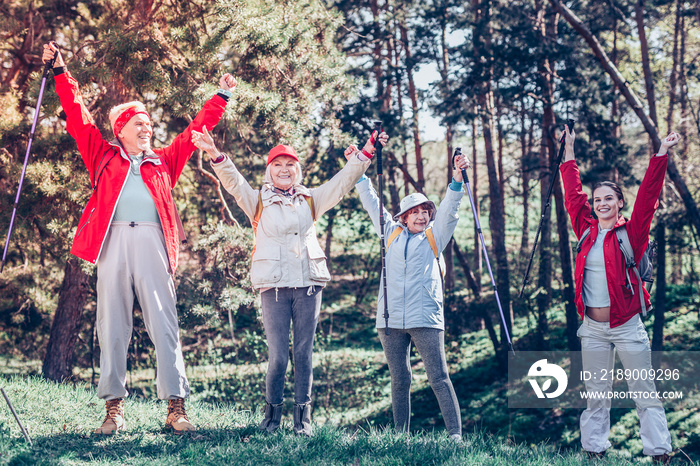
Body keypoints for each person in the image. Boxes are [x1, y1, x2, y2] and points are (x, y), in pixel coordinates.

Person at [41, 42, 237, 435]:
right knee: (111, 323)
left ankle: (176, 409)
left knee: (164, 322)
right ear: (121, 130)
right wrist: (61, 72)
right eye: (139, 124)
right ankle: (114, 411)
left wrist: (221, 96)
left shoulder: (165, 160)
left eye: (149, 124)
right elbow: (78, 118)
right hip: (112, 243)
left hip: (152, 244)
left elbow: (197, 128)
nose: (147, 128)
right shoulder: (102, 155)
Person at [191, 126, 388, 436]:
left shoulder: (311, 199)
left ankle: (302, 422)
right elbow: (232, 180)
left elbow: (343, 181)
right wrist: (214, 152)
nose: (284, 170)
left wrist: (366, 151)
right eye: (278, 165)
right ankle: (271, 419)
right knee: (279, 356)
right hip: (274, 288)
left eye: (290, 165)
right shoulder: (256, 200)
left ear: (298, 170)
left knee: (304, 353)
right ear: (270, 171)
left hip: (308, 284)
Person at [560, 125, 678, 463]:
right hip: (593, 328)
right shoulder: (586, 229)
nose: (601, 204)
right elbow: (572, 194)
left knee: (644, 391)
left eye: (608, 199)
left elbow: (649, 197)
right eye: (597, 200)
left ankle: (659, 452)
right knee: (597, 394)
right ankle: (594, 450)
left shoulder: (633, 232)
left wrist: (660, 153)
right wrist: (568, 150)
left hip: (626, 325)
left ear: (619, 203)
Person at [346, 144, 469, 441]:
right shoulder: (390, 232)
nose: (421, 216)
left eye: (425, 212)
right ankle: (400, 436)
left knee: (438, 377)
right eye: (414, 212)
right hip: (388, 321)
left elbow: (450, 210)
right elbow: (370, 200)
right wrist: (357, 167)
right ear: (403, 216)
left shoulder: (433, 237)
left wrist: (456, 179)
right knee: (400, 380)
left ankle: (455, 436)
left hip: (424, 318)